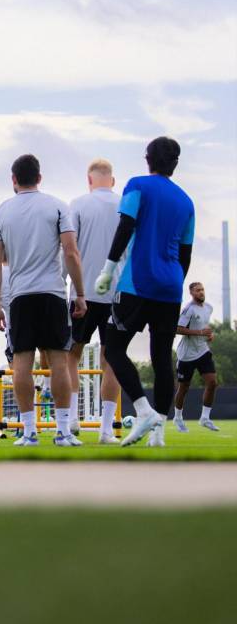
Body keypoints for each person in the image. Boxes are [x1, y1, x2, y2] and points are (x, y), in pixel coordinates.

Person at [96, 137, 195, 447]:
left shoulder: (137, 184)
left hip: (138, 283)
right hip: (171, 286)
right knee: (161, 359)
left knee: (112, 347)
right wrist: (176, 284)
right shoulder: (186, 202)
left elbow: (126, 226)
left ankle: (143, 410)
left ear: (147, 159)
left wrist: (108, 269)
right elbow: (185, 253)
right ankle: (159, 433)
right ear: (175, 164)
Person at [0, 154, 87, 447]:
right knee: (59, 362)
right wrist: (80, 294)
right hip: (53, 295)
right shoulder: (57, 206)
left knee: (22, 363)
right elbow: (71, 252)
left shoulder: (0, 212)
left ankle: (30, 432)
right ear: (39, 178)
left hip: (20, 297)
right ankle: (63, 432)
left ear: (13, 180)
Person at [66, 159, 122, 444]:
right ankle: (105, 430)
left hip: (82, 292)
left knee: (70, 356)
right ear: (112, 180)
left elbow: (69, 249)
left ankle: (72, 418)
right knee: (111, 361)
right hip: (117, 295)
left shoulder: (76, 204)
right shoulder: (125, 204)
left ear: (89, 180)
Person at [173, 282, 219, 432]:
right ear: (191, 293)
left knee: (212, 383)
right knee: (184, 388)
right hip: (186, 355)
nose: (201, 292)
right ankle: (178, 417)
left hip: (202, 351)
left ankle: (205, 418)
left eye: (202, 290)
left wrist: (209, 335)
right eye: (198, 290)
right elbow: (178, 329)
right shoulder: (188, 309)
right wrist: (199, 333)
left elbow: (204, 327)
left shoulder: (209, 307)